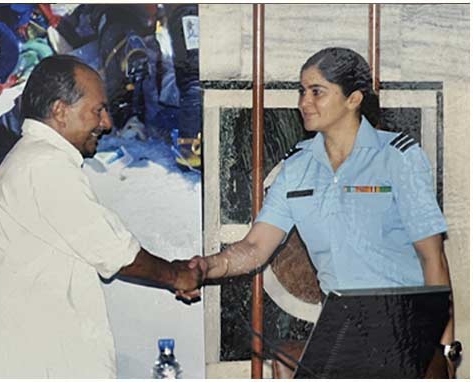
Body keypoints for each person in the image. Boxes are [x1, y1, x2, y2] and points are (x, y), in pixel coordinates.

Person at [179, 47, 457, 378]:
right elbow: (255, 248)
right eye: (302, 91)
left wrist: (444, 352)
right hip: (341, 330)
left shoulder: (398, 157)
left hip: (404, 329)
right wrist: (206, 267)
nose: (303, 103)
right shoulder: (296, 168)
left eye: (317, 92)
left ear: (353, 99)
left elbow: (433, 258)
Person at [0, 54, 202, 378]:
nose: (106, 123)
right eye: (98, 110)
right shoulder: (45, 166)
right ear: (60, 111)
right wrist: (178, 276)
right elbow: (115, 251)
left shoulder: (33, 159)